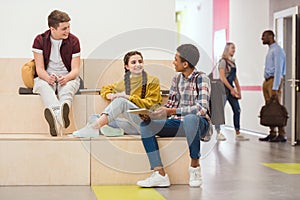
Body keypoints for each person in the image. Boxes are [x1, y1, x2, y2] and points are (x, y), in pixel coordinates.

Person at [136, 44, 211, 188]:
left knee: (190, 119)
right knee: (145, 126)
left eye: (175, 59)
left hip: (198, 124)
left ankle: (195, 168)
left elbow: (201, 109)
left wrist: (173, 112)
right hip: (177, 123)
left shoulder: (202, 79)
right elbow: (170, 105)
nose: (173, 62)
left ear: (185, 63)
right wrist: (153, 114)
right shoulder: (176, 78)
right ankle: (160, 174)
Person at [72, 51, 162, 138]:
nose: (138, 64)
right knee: (94, 117)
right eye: (133, 62)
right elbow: (105, 88)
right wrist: (109, 95)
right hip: (132, 126)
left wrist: (127, 97)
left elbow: (152, 104)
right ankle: (117, 132)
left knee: (121, 101)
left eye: (140, 61)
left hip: (145, 124)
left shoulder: (153, 81)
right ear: (127, 66)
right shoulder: (125, 82)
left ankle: (92, 129)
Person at [32, 10, 81, 136]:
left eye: (69, 27)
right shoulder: (40, 40)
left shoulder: (74, 41)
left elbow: (75, 70)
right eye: (64, 28)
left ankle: (57, 116)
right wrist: (48, 78)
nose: (68, 31)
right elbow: (39, 69)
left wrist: (66, 77)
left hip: (68, 75)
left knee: (68, 89)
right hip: (46, 75)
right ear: (52, 29)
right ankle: (61, 118)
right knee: (43, 86)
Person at [214, 42, 249, 141]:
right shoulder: (222, 62)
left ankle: (238, 133)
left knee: (237, 109)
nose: (234, 50)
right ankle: (218, 133)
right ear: (227, 49)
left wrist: (239, 90)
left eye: (234, 48)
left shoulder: (232, 63)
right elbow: (222, 78)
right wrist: (232, 89)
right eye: (232, 48)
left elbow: (235, 78)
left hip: (231, 89)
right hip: (222, 89)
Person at [259, 30, 286, 142]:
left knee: (276, 107)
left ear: (271, 36)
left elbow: (278, 69)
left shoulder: (277, 50)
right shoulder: (271, 50)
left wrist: (275, 87)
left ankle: (281, 134)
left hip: (273, 81)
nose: (262, 38)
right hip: (267, 80)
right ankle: (272, 132)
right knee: (269, 107)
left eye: (264, 36)